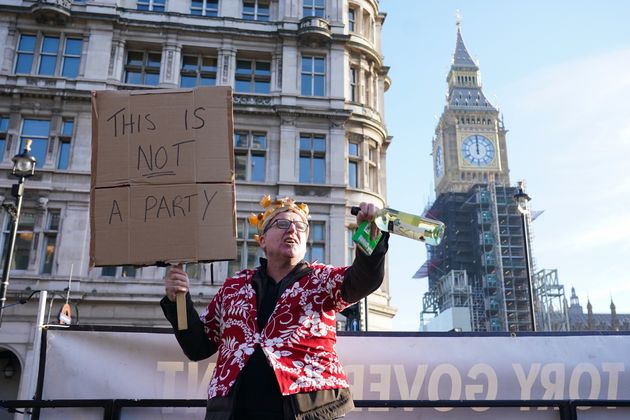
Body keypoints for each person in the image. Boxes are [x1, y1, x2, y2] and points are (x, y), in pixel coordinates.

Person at [161, 195, 389, 420]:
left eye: (300, 226)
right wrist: (177, 301)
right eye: (282, 223)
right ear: (261, 240)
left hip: (308, 411)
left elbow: (364, 279)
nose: (292, 230)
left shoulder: (322, 279)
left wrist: (368, 235)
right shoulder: (233, 287)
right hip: (235, 412)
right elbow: (197, 346)